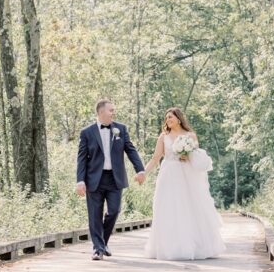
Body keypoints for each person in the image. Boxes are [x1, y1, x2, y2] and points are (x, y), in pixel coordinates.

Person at [142, 107, 226, 260]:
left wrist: (188, 157)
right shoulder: (163, 137)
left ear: (178, 119)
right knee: (167, 208)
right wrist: (143, 173)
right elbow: (155, 159)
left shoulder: (190, 136)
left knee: (189, 207)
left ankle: (194, 245)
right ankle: (169, 247)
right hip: (168, 175)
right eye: (166, 117)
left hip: (186, 175)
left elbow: (197, 155)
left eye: (170, 117)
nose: (167, 120)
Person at [76, 99, 146, 261]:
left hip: (115, 178)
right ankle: (98, 249)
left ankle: (103, 242)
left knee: (114, 211)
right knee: (95, 214)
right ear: (100, 112)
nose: (113, 113)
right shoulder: (86, 132)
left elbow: (130, 150)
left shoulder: (120, 129)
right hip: (94, 179)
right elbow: (81, 159)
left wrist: (140, 169)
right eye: (111, 110)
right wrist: (80, 180)